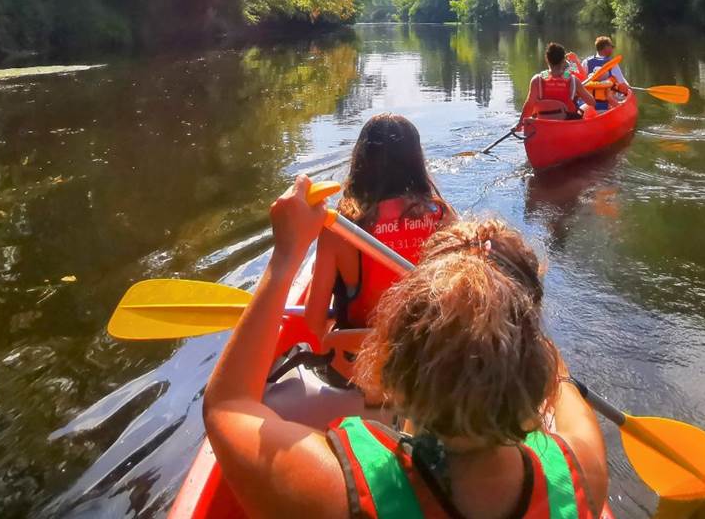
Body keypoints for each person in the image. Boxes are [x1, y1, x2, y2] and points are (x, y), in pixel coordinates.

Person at [204, 175, 610, 518]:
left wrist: (286, 254)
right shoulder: (583, 472)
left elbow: (228, 406)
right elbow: (563, 382)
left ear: (393, 371)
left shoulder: (340, 491)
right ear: (532, 376)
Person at [304, 114, 454, 381]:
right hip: (428, 374)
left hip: (358, 372)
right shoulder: (443, 216)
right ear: (416, 161)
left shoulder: (340, 227)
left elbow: (314, 325)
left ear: (361, 161)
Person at [521, 42, 598, 121]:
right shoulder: (573, 80)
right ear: (563, 61)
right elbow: (592, 102)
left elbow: (529, 105)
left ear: (547, 59)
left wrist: (520, 123)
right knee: (589, 108)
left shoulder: (537, 79)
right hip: (566, 124)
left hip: (544, 124)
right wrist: (576, 93)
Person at [583, 37, 629, 111]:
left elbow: (582, 79)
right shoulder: (612, 64)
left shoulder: (586, 61)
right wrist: (627, 90)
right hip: (606, 105)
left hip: (589, 106)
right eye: (611, 47)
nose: (612, 49)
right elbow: (622, 84)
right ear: (606, 47)